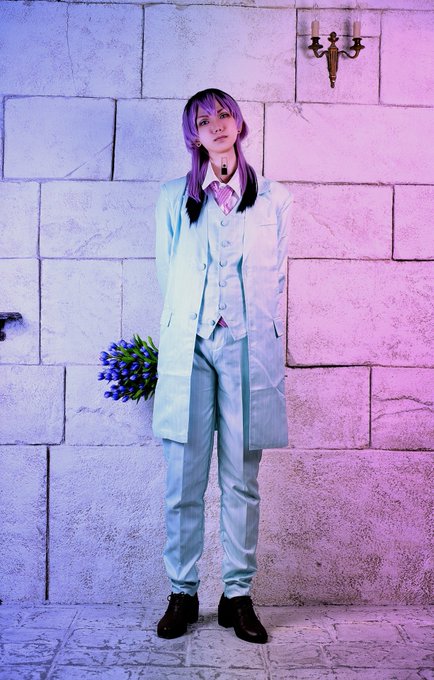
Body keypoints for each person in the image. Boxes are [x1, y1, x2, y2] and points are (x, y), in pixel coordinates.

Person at [152, 88, 293, 644]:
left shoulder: (274, 198)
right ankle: (182, 592)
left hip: (245, 347)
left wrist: (243, 323)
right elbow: (167, 275)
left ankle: (237, 595)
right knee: (183, 479)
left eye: (225, 114)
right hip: (190, 346)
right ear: (193, 134)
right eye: (204, 119)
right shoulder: (173, 197)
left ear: (239, 124)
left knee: (241, 479)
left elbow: (276, 276)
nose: (217, 125)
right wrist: (192, 325)